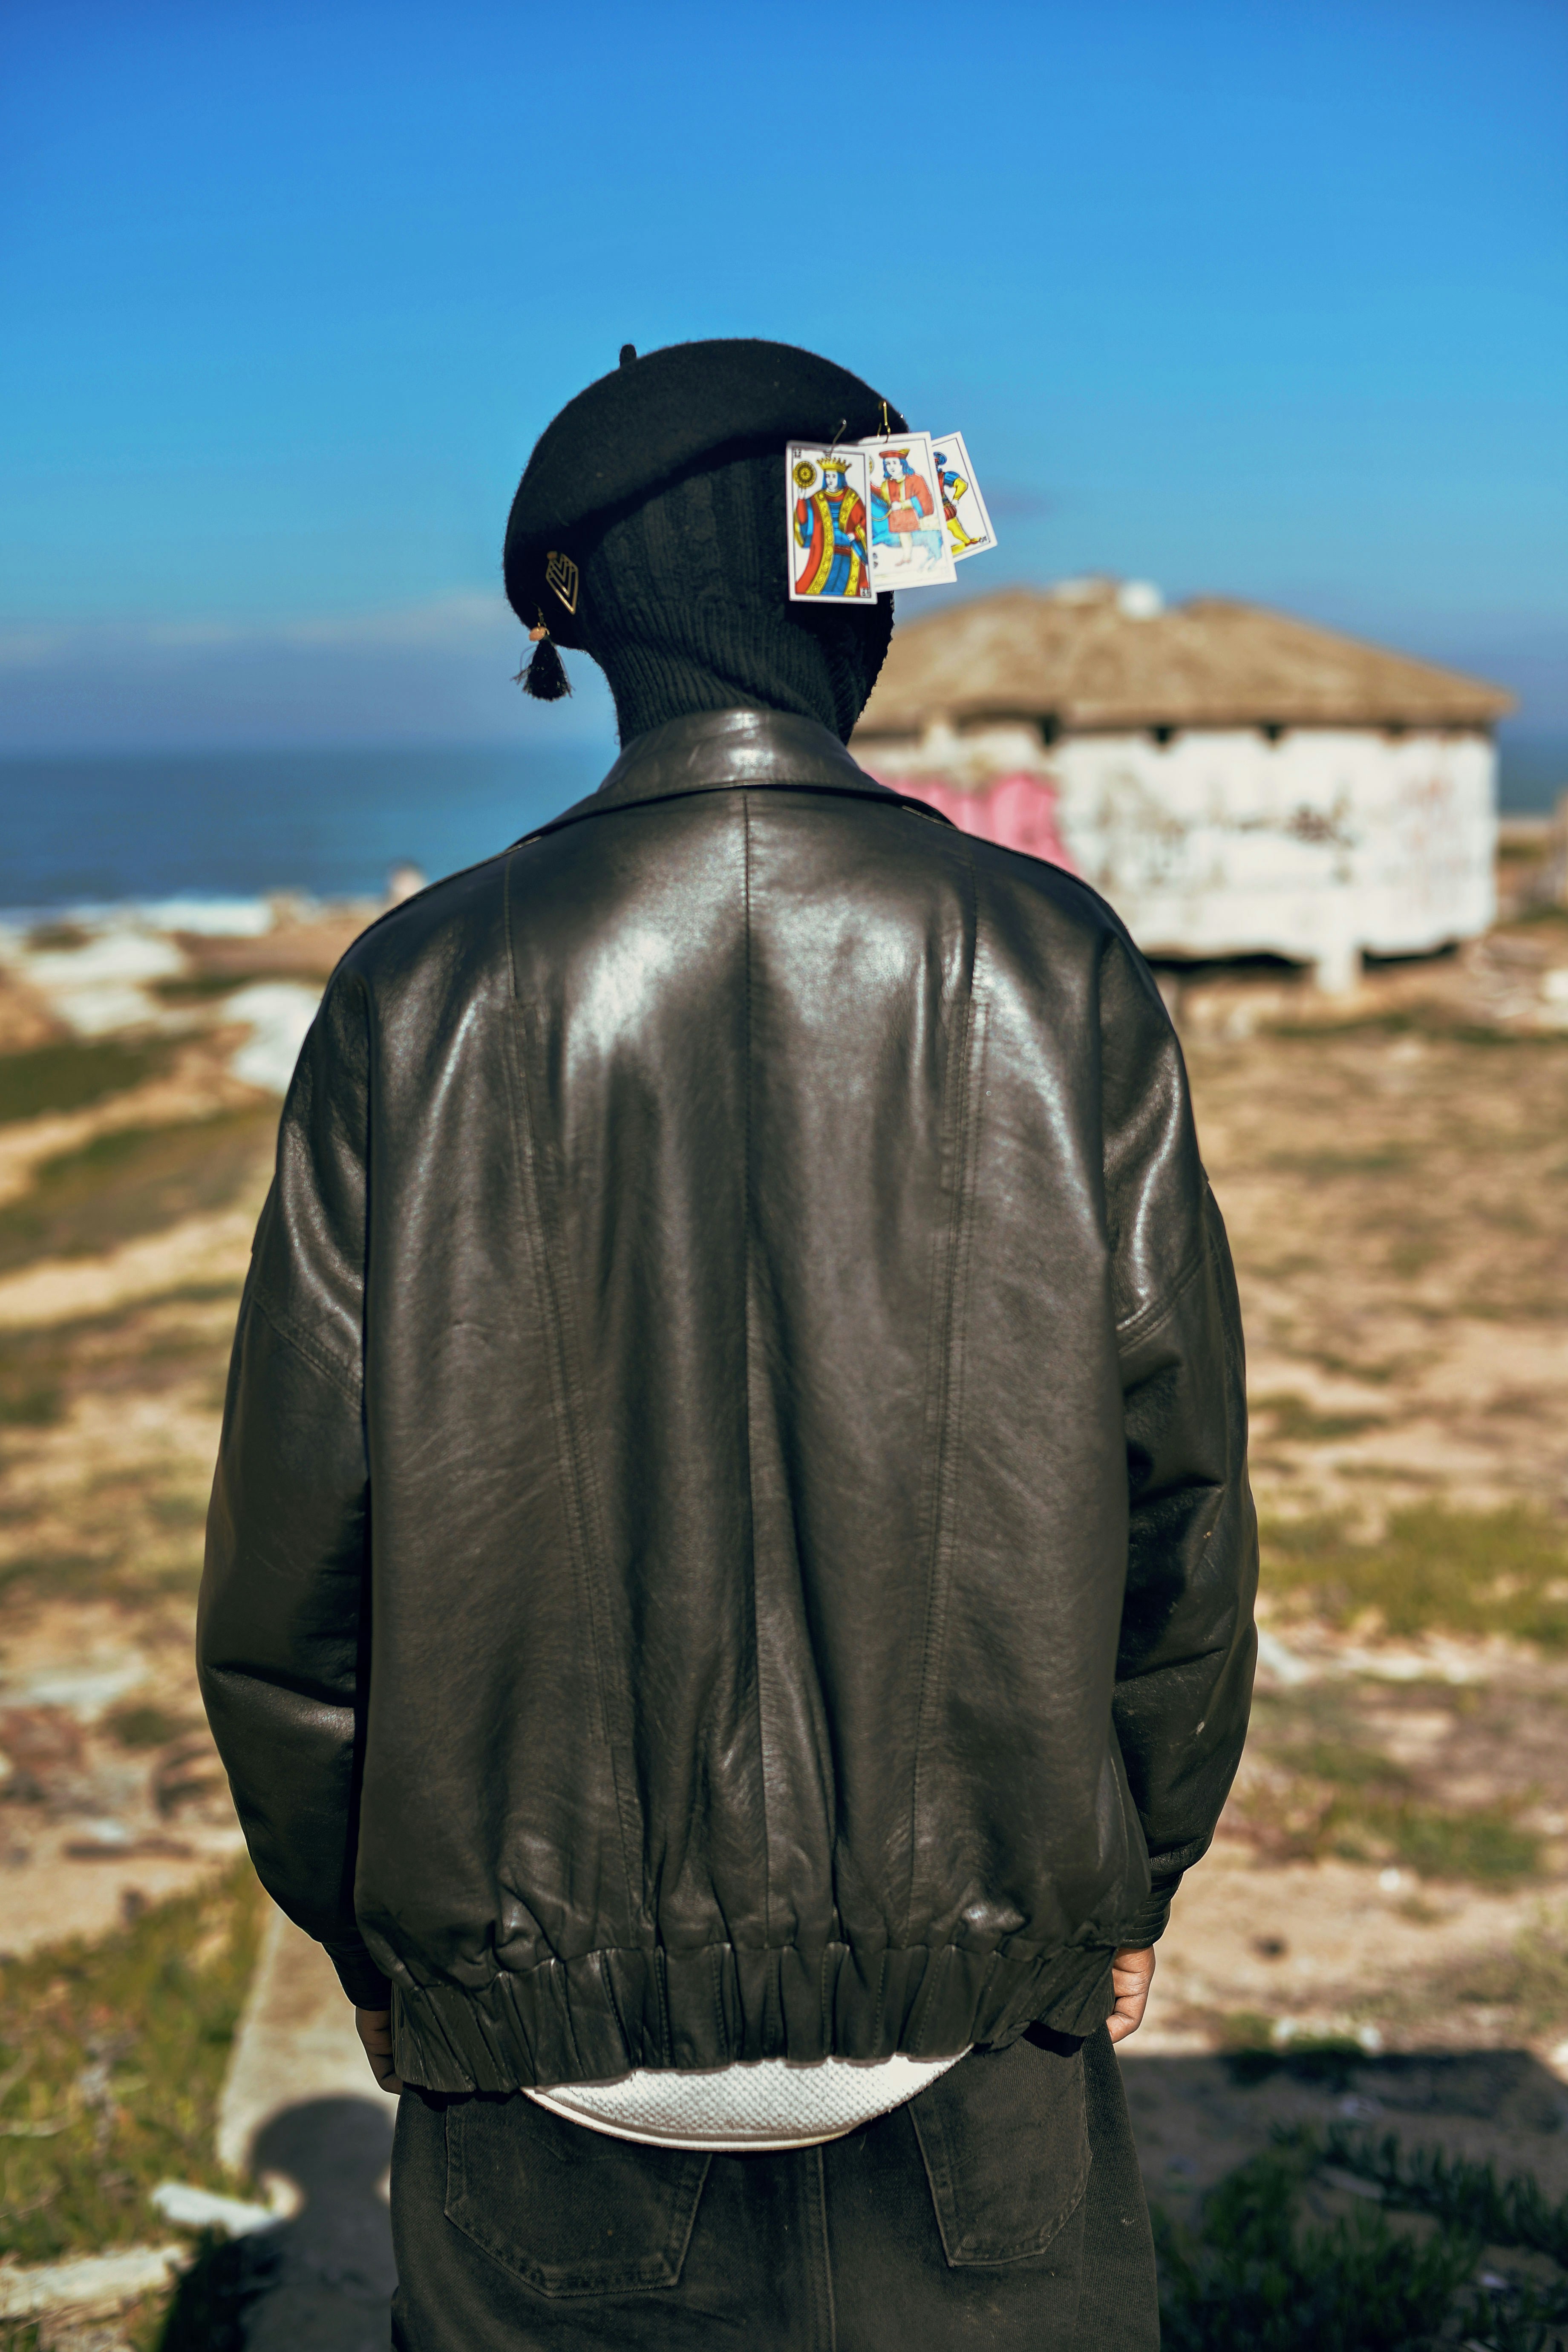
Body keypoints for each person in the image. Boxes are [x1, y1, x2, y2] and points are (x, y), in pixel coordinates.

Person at [197, 336, 1257, 2350]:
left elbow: (289, 1587)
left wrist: (389, 1943)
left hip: (541, 2070)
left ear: (569, 621)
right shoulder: (1051, 963)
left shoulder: (408, 997)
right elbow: (1172, 1505)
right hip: (975, 2042)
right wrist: (1125, 1866)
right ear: (854, 592)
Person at [793, 454, 870, 598]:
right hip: (824, 552)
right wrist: (802, 499)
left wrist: (856, 534)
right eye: (827, 477)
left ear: (840, 478)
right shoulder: (817, 498)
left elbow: (865, 521)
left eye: (833, 477)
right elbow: (804, 520)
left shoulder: (853, 497)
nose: (830, 480)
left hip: (849, 552)